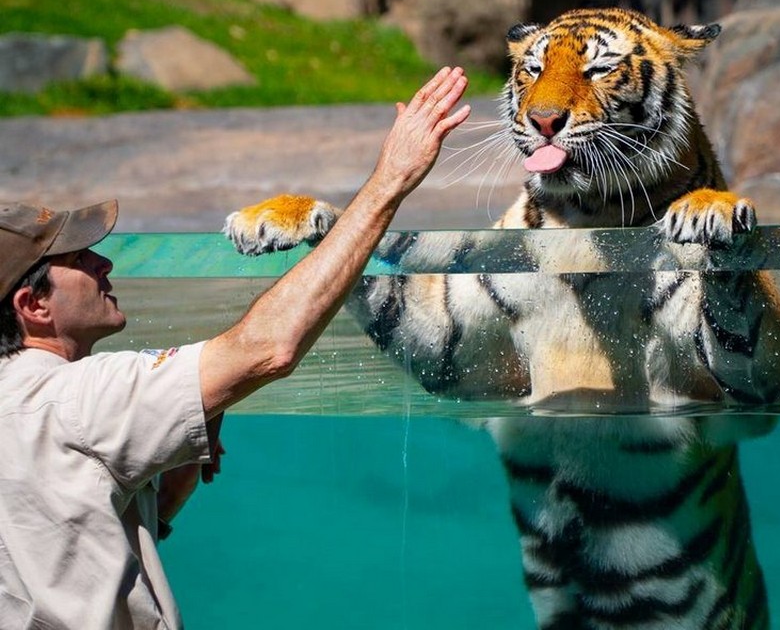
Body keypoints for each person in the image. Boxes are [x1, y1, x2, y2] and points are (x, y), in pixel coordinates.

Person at [0, 66, 470, 629]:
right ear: (34, 306)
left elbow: (87, 530)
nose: (104, 262)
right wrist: (391, 180)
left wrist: (176, 456)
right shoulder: (80, 399)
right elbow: (269, 347)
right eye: (79, 261)